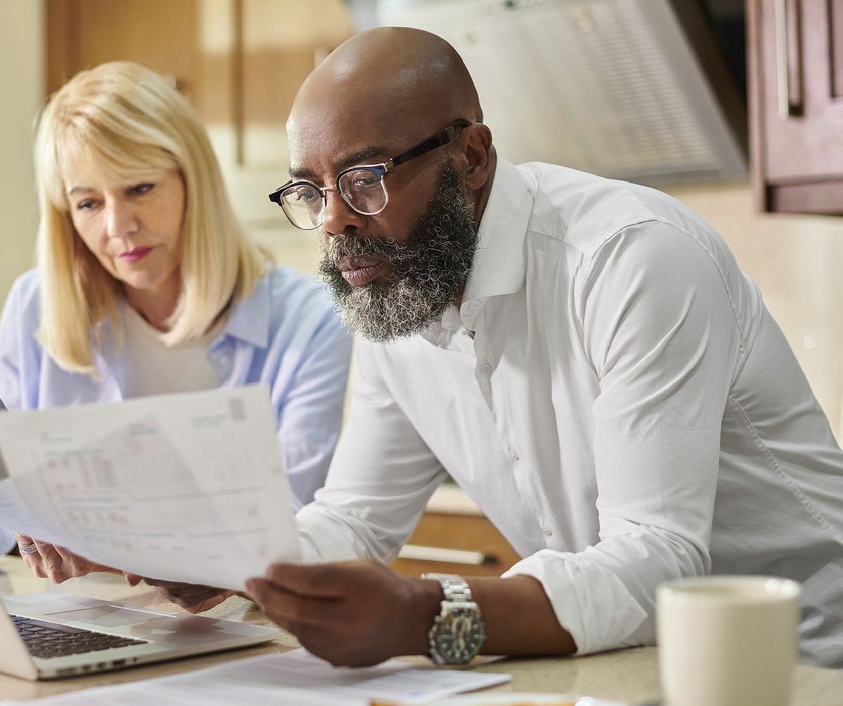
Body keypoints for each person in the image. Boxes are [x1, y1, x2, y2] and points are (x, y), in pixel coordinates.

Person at [240, 27, 843, 668]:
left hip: (809, 658)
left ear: (471, 155)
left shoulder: (632, 258)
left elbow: (660, 558)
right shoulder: (399, 291)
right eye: (310, 190)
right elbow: (355, 523)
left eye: (365, 178)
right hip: (626, 660)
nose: (334, 219)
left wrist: (424, 615)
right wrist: (231, 565)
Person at [0, 61, 352, 602]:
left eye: (140, 188)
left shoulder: (309, 318)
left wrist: (113, 545)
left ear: (193, 181)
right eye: (88, 203)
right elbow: (6, 513)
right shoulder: (37, 306)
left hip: (248, 630)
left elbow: (295, 524)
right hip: (88, 620)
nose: (117, 227)